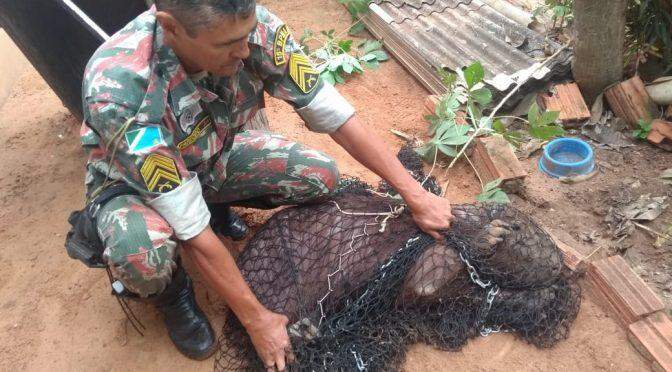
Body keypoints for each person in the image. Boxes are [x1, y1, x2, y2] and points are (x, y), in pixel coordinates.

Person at [76, 0, 453, 369]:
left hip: (209, 157)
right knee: (144, 257)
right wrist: (257, 319)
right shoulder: (122, 92)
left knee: (319, 176)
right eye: (226, 44)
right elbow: (187, 220)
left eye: (247, 34)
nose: (244, 50)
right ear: (171, 27)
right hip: (137, 187)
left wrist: (415, 195)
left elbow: (334, 114)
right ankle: (173, 295)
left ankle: (217, 204)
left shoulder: (254, 30)